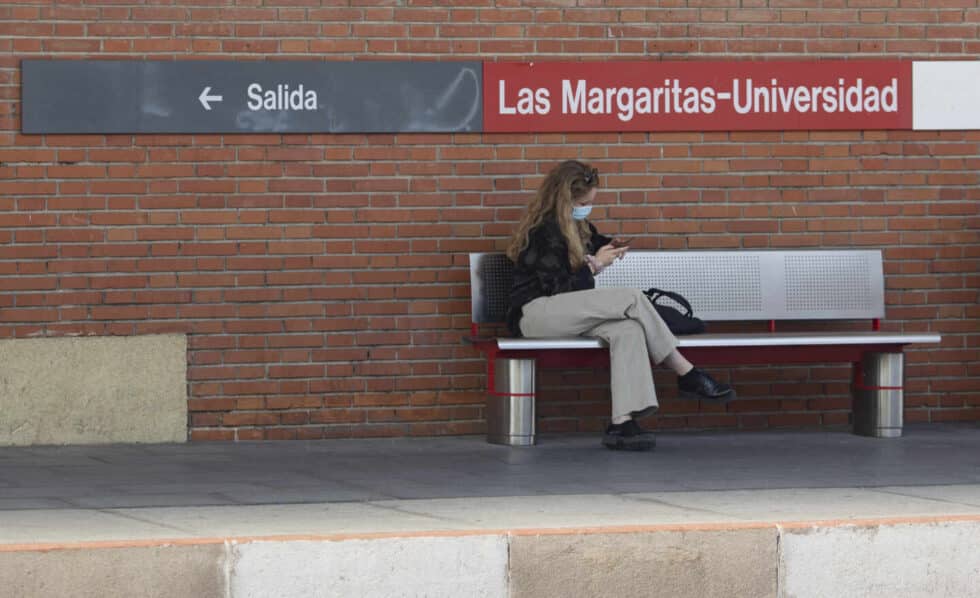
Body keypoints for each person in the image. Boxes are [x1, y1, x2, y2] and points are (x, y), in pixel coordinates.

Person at [505, 159, 735, 451]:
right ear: (566, 199)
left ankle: (622, 423)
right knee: (630, 297)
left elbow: (592, 248)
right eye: (584, 203)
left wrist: (609, 247)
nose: (587, 208)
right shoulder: (543, 232)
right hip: (536, 314)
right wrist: (595, 267)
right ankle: (687, 373)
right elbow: (558, 289)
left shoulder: (579, 227)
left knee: (627, 329)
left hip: (567, 314)